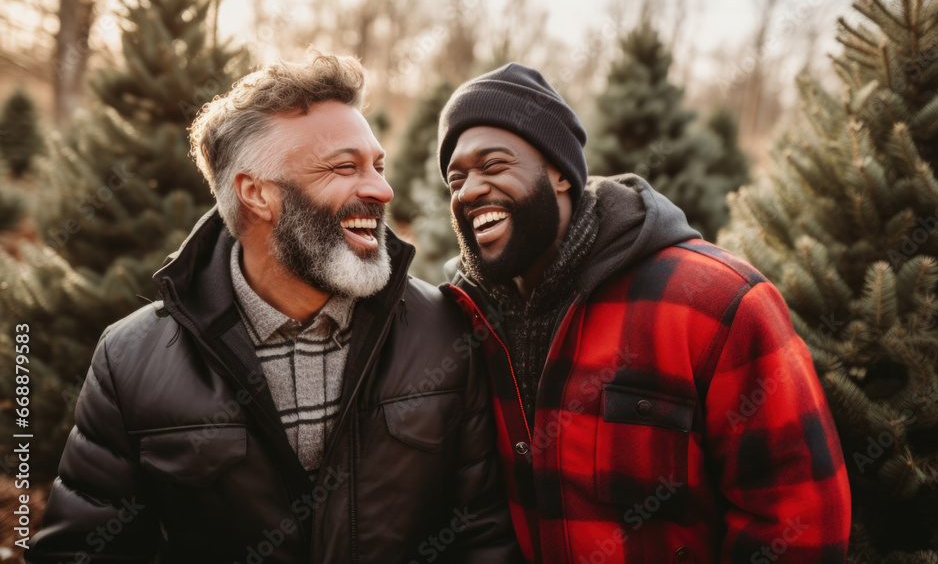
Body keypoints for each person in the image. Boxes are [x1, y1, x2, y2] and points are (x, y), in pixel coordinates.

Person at [28, 53, 520, 563]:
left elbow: (481, 538)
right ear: (257, 193)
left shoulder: (445, 331)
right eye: (345, 167)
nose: (382, 189)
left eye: (377, 165)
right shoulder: (131, 360)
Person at [436, 63, 852, 563]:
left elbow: (799, 523)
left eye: (494, 164)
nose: (469, 189)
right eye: (455, 178)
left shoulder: (714, 302)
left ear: (560, 173)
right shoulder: (464, 319)